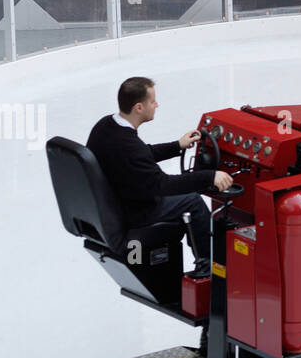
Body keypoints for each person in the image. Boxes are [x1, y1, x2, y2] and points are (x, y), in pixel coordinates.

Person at [87, 77, 234, 281]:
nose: (157, 105)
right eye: (153, 101)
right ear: (139, 107)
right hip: (136, 211)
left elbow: (141, 154)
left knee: (188, 198)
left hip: (119, 199)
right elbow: (163, 185)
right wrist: (210, 176)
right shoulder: (129, 147)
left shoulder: (106, 126)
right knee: (192, 201)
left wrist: (177, 146)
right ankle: (210, 267)